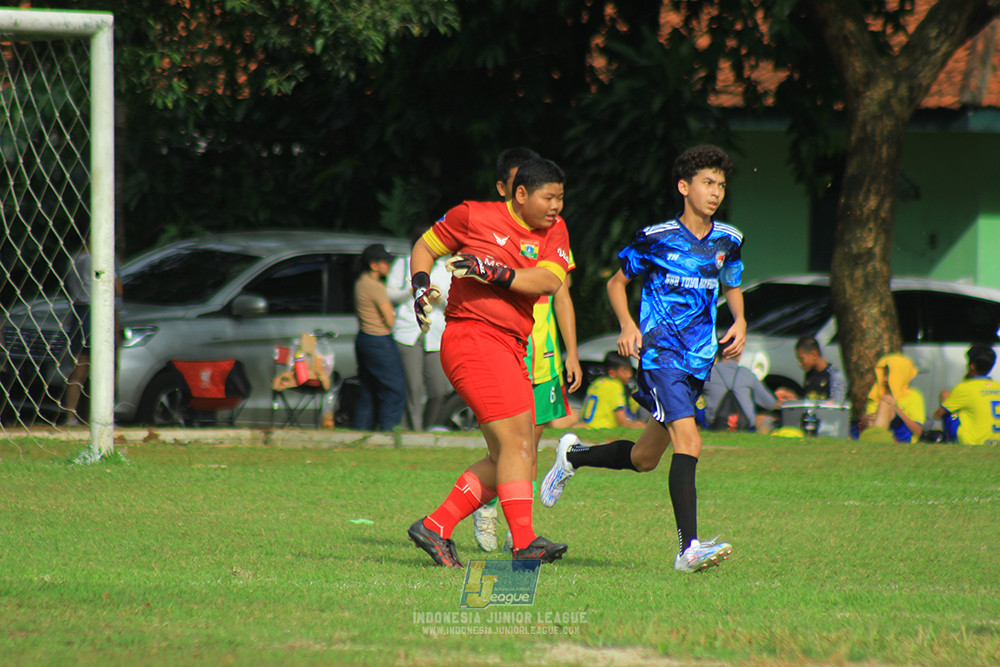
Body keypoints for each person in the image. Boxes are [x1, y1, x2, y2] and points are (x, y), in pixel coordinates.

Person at [539, 145, 744, 573]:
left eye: (721, 185)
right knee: (690, 442)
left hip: (698, 360)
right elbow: (617, 283)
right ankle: (688, 550)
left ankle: (572, 455)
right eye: (708, 183)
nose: (716, 192)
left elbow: (731, 282)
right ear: (684, 187)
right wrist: (628, 325)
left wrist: (740, 319)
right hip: (660, 356)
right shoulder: (655, 238)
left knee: (644, 459)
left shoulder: (729, 239)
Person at [406, 157, 573, 568]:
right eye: (548, 197)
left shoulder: (556, 230)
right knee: (518, 445)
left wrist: (493, 271)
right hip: (473, 338)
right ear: (521, 194)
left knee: (513, 456)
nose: (556, 206)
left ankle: (436, 526)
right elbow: (426, 246)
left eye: (560, 198)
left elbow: (549, 281)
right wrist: (421, 286)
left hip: (513, 346)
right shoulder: (473, 215)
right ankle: (524, 542)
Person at [471, 147, 583, 552]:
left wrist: (571, 351)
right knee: (503, 450)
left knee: (528, 451)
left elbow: (562, 293)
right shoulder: (488, 232)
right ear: (508, 190)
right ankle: (486, 510)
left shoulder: (554, 233)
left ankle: (521, 534)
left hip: (542, 354)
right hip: (500, 348)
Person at [385, 229, 452, 431]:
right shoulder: (404, 263)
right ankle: (414, 432)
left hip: (436, 333)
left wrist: (439, 298)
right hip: (408, 331)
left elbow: (454, 303)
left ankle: (427, 427)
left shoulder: (445, 268)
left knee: (439, 390)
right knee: (413, 387)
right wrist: (412, 290)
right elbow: (389, 295)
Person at [61, 240, 123, 426]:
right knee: (106, 366)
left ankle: (70, 416)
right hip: (98, 313)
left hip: (79, 313)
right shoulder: (100, 260)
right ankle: (105, 416)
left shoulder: (74, 260)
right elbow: (117, 288)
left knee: (79, 368)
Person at [353, 243, 406, 431]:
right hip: (379, 340)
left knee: (368, 390)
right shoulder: (375, 286)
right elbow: (390, 319)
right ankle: (389, 432)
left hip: (364, 339)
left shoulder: (361, 282)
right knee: (394, 390)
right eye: (385, 262)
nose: (388, 266)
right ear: (374, 265)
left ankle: (361, 429)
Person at [932, 344, 1000, 445]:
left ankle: (948, 441)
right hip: (996, 442)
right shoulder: (997, 386)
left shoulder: (965, 388)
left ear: (972, 366)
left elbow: (937, 415)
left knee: (945, 395)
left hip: (973, 441)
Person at [701, 349, 780, 432]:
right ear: (739, 356)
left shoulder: (706, 373)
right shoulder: (748, 374)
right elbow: (770, 404)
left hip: (714, 424)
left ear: (716, 354)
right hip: (744, 425)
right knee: (766, 418)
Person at [859, 353, 925, 443]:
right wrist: (866, 419)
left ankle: (878, 439)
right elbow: (867, 420)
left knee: (886, 402)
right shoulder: (877, 393)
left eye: (889, 375)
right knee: (885, 401)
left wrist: (896, 410)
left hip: (903, 439)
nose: (885, 379)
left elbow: (918, 431)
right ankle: (878, 438)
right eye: (884, 374)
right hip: (878, 434)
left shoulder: (913, 396)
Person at [579, 351, 644, 429]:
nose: (629, 374)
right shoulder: (615, 385)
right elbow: (620, 416)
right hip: (601, 427)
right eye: (624, 371)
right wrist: (629, 425)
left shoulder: (597, 383)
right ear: (612, 373)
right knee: (641, 425)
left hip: (587, 425)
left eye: (630, 370)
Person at [774, 336, 847, 403]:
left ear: (813, 354)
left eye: (802, 359)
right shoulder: (809, 375)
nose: (800, 363)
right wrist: (789, 396)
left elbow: (836, 406)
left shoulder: (834, 375)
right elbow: (806, 401)